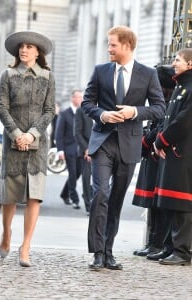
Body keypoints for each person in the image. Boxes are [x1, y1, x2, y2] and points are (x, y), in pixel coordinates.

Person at [82, 25, 165, 271]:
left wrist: (136, 112)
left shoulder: (148, 74)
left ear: (127, 46)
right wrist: (103, 115)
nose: (109, 48)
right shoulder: (100, 71)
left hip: (129, 145)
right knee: (101, 194)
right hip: (103, 142)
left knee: (116, 199)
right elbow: (87, 103)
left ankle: (108, 251)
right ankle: (97, 251)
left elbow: (160, 108)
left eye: (113, 44)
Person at [0, 31, 55, 267]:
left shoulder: (48, 77)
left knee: (35, 196)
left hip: (38, 143)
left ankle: (26, 246)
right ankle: (6, 232)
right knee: (10, 195)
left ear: (37, 52)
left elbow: (49, 110)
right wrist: (17, 134)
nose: (24, 50)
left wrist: (32, 133)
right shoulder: (8, 75)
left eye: (29, 47)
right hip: (12, 141)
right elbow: (2, 107)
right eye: (22, 46)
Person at [153, 48, 192, 266]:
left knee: (182, 205)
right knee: (171, 203)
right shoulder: (181, 86)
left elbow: (184, 122)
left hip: (184, 154)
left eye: (177, 60)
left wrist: (161, 140)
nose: (174, 63)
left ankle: (183, 252)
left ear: (190, 64)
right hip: (174, 152)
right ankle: (170, 247)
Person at [132, 65, 175, 258]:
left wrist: (146, 141)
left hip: (160, 155)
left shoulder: (170, 101)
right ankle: (153, 242)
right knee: (152, 203)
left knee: (161, 204)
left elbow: (161, 128)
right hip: (151, 154)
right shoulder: (160, 100)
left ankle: (158, 243)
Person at [55, 90, 82, 208]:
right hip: (69, 149)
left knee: (77, 173)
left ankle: (64, 194)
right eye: (79, 97)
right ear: (73, 98)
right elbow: (58, 133)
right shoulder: (64, 114)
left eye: (82, 97)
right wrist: (60, 150)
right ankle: (74, 198)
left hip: (81, 149)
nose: (81, 100)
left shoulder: (83, 113)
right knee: (72, 174)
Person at [74, 105, 93, 215]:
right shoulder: (81, 110)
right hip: (86, 151)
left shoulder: (106, 106)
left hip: (103, 149)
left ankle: (99, 204)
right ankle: (89, 206)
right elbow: (77, 132)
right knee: (86, 178)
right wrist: (86, 148)